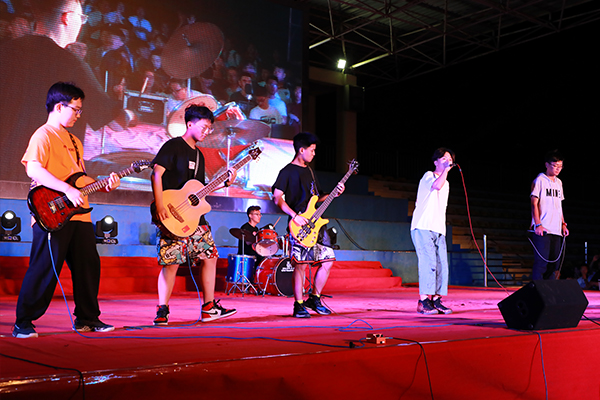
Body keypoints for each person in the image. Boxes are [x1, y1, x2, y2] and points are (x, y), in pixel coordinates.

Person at [13, 82, 120, 338]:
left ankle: (87, 318)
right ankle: (23, 322)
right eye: (76, 109)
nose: (78, 115)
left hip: (80, 214)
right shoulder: (43, 134)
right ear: (59, 107)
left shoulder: (74, 140)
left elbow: (79, 180)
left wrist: (103, 186)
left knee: (88, 266)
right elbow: (33, 168)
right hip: (51, 213)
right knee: (44, 268)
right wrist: (66, 189)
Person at [0, 0, 123, 183]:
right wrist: (129, 113)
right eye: (81, 18)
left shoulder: (5, 51)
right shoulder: (73, 65)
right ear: (66, 17)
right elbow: (114, 122)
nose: (82, 24)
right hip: (47, 181)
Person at [150, 104, 237, 326]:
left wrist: (225, 182)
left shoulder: (199, 155)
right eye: (204, 127)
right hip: (171, 213)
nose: (207, 131)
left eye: (209, 128)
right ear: (190, 124)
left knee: (210, 256)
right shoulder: (173, 146)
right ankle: (162, 309)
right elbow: (157, 174)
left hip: (195, 217)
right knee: (171, 262)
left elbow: (199, 189)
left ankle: (208, 307)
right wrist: (159, 205)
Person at [272, 132, 344, 318]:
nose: (314, 153)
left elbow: (316, 198)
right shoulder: (287, 171)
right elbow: (277, 197)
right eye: (312, 150)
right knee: (301, 265)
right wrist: (294, 216)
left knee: (328, 260)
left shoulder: (310, 171)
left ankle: (314, 298)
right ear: (301, 150)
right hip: (299, 225)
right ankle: (298, 305)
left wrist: (334, 193)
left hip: (317, 224)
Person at [410, 148, 455, 315]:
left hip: (439, 228)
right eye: (444, 158)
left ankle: (436, 299)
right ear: (436, 162)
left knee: (442, 264)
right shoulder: (429, 176)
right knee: (428, 263)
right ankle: (423, 301)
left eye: (449, 159)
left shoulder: (447, 184)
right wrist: (446, 171)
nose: (447, 161)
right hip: (423, 226)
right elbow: (436, 186)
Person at [530, 150, 569, 280]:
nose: (558, 169)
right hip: (543, 228)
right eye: (555, 165)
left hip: (556, 230)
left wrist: (563, 224)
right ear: (547, 164)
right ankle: (537, 289)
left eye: (560, 166)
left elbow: (559, 206)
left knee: (554, 265)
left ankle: (549, 291)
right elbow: (534, 203)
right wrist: (538, 224)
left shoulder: (559, 183)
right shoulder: (540, 180)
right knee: (542, 263)